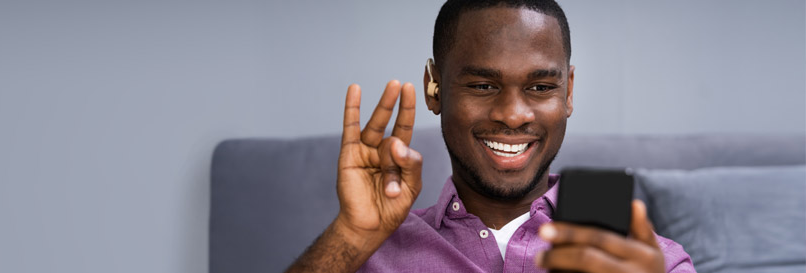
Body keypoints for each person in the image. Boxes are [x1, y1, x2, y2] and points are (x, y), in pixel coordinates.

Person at [287, 0, 695, 272]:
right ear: (434, 87)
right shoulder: (365, 254)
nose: (514, 116)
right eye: (482, 86)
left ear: (568, 92)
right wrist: (350, 235)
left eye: (540, 87)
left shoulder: (651, 263)